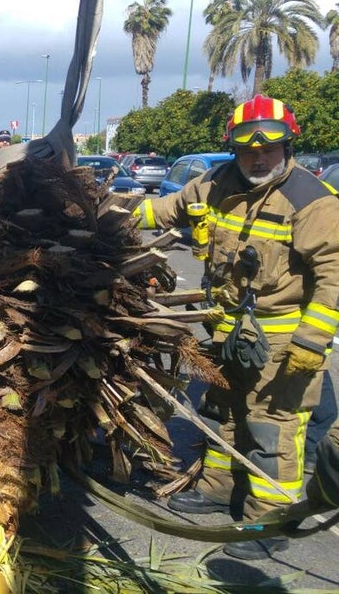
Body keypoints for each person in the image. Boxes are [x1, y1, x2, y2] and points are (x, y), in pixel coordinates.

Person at [133, 95, 339, 560]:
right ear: (236, 148)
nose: (258, 158)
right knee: (223, 410)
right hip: (227, 330)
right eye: (248, 150)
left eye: (269, 149)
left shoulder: (311, 201)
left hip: (284, 339)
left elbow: (334, 274)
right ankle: (218, 487)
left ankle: (269, 518)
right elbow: (162, 211)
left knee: (273, 427)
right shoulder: (216, 183)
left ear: (287, 147)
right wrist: (99, 211)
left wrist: (312, 340)